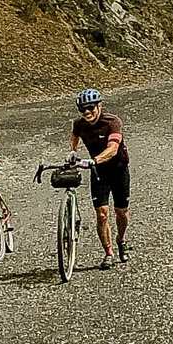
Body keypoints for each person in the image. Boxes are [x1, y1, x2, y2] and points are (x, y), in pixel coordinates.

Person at [71, 87, 131, 267]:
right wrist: (72, 151)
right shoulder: (79, 124)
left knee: (121, 212)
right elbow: (75, 135)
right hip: (99, 172)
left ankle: (121, 239)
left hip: (119, 169)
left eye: (90, 108)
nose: (87, 112)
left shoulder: (112, 122)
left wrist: (93, 160)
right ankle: (108, 252)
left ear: (99, 106)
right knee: (101, 213)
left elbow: (113, 149)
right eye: (83, 109)